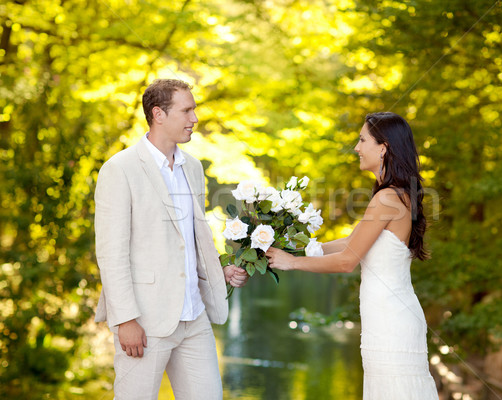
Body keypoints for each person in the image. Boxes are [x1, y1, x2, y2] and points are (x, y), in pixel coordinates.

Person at [94, 79, 248, 399]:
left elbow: (189, 238)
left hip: (194, 318)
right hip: (145, 320)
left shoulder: (192, 167)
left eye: (194, 110)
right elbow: (112, 253)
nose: (194, 119)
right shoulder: (119, 169)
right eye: (187, 110)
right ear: (158, 114)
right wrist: (125, 320)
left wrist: (220, 269)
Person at [266, 112, 438, 399]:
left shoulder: (387, 198)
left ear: (383, 147)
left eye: (362, 140)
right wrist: (305, 247)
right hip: (386, 319)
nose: (357, 148)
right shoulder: (394, 194)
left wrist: (292, 262)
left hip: (391, 322)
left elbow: (348, 260)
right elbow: (353, 242)